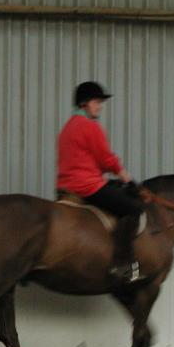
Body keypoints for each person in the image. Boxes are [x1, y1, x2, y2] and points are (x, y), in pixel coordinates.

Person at [57, 81, 144, 284]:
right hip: (87, 186)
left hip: (66, 186)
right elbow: (106, 159)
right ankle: (121, 263)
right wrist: (127, 179)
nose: (100, 106)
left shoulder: (68, 127)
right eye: (97, 102)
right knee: (133, 209)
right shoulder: (90, 127)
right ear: (85, 103)